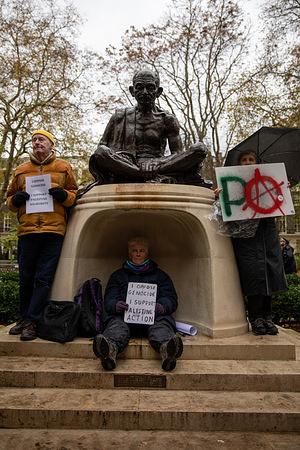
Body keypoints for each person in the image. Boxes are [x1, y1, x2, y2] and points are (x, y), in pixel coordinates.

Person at [6, 130, 78, 341]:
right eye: (34, 140)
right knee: (25, 278)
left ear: (51, 145)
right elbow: (9, 200)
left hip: (53, 231)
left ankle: (31, 322)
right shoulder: (21, 170)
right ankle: (23, 318)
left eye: (41, 140)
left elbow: (74, 195)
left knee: (43, 279)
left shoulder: (63, 167)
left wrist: (64, 195)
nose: (37, 143)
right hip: (27, 231)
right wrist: (16, 200)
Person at [89, 69, 209, 186]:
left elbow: (177, 153)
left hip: (159, 165)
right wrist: (126, 161)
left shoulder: (167, 119)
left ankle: (139, 174)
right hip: (127, 164)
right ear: (132, 91)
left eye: (150, 88)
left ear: (158, 91)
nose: (145, 92)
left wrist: (155, 163)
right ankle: (139, 174)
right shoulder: (119, 116)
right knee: (101, 152)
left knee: (199, 149)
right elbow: (101, 148)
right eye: (140, 87)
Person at [214, 150, 288, 336]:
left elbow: (279, 206)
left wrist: (283, 190)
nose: (247, 163)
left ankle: (268, 316)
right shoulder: (233, 185)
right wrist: (220, 197)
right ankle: (255, 317)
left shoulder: (267, 181)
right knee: (253, 274)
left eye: (251, 159)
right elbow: (224, 213)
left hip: (266, 233)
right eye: (244, 160)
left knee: (269, 271)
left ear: (257, 162)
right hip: (246, 239)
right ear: (239, 165)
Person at [93, 237, 183, 371]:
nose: (138, 254)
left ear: (147, 254)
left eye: (141, 251)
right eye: (135, 251)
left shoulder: (160, 275)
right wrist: (116, 305)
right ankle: (108, 351)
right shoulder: (118, 276)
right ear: (129, 254)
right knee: (116, 328)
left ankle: (168, 350)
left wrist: (162, 306)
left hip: (154, 318)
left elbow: (170, 298)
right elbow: (109, 299)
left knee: (161, 328)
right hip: (124, 318)